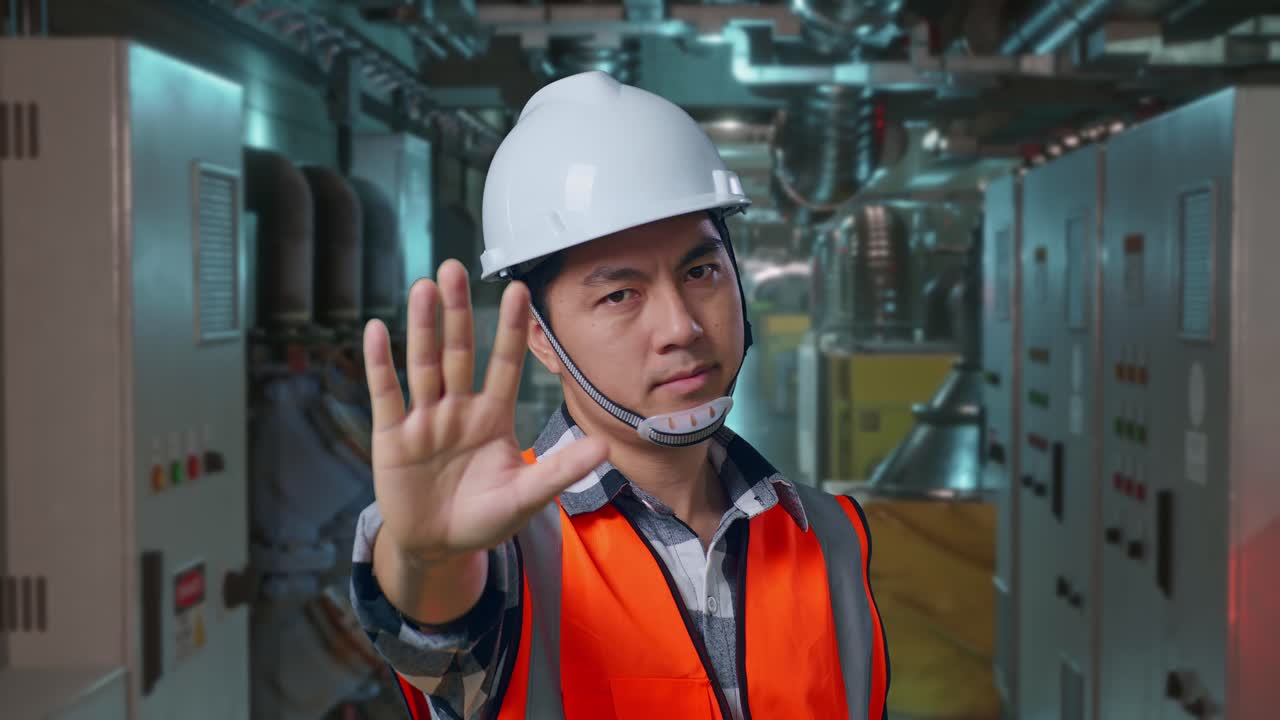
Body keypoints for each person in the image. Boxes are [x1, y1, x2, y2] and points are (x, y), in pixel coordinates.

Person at [350, 69, 890, 720]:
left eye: (701, 271)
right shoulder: (506, 552)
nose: (682, 327)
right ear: (541, 339)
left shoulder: (830, 535)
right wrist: (424, 554)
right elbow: (433, 617)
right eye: (619, 295)